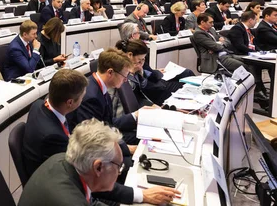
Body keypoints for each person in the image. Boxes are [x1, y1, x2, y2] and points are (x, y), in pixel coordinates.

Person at [19, 119, 180, 206]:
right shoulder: (69, 201)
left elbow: (98, 188)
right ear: (98, 167)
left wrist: (141, 195)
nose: (119, 172)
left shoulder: (64, 160)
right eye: (119, 166)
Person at [22, 68, 88, 178]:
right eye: (82, 97)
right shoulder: (53, 137)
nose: (82, 100)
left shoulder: (37, 105)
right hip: (48, 180)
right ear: (70, 102)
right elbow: (71, 170)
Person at [67, 48, 139, 145]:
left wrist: (135, 116)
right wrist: (127, 149)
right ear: (110, 72)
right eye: (124, 76)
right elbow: (92, 139)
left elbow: (106, 122)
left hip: (104, 133)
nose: (125, 80)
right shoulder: (91, 97)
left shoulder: (98, 85)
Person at [116, 39, 194, 105]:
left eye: (143, 59)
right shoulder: (122, 68)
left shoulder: (136, 62)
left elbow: (151, 75)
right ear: (130, 55)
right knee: (184, 84)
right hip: (154, 94)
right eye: (140, 59)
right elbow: (134, 93)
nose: (142, 62)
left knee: (187, 74)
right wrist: (133, 73)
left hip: (155, 86)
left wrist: (142, 72)